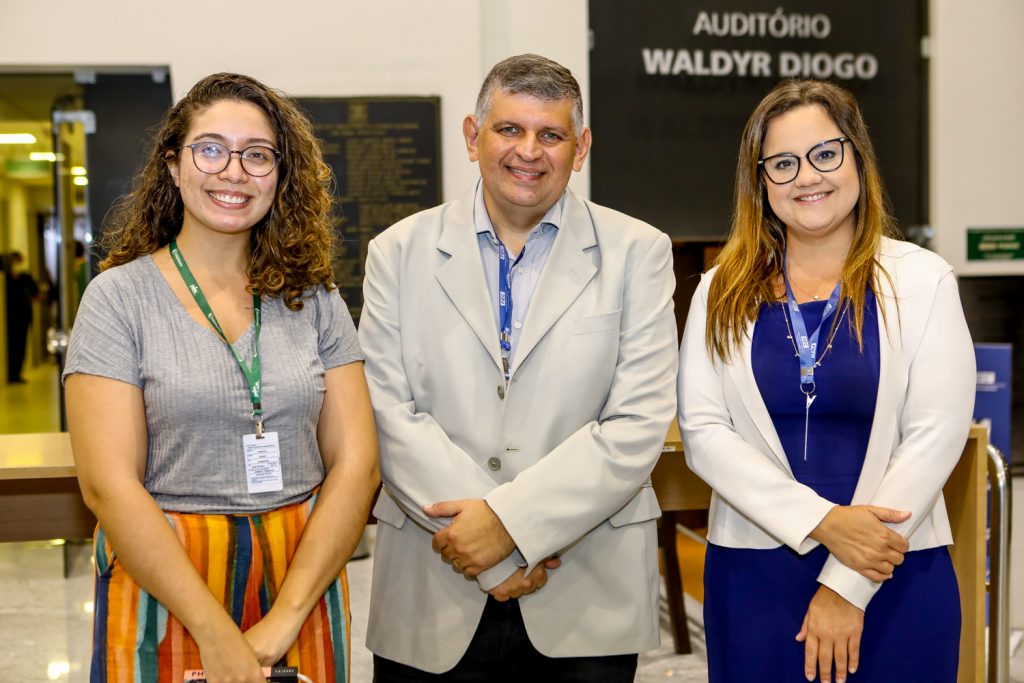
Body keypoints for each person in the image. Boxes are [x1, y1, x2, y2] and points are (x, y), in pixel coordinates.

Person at [359, 54, 678, 681]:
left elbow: (635, 424)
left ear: (580, 147)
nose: (528, 151)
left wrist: (509, 528)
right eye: (509, 129)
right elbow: (388, 414)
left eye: (550, 134)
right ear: (473, 136)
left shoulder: (639, 253)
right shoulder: (397, 252)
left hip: (584, 589)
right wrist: (494, 551)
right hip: (433, 585)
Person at [63, 73, 379, 683]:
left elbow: (358, 464)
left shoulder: (315, 299)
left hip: (301, 579)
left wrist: (285, 618)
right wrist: (214, 632)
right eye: (210, 149)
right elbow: (108, 486)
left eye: (257, 155)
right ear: (174, 166)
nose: (233, 172)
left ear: (280, 176)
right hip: (166, 581)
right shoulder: (117, 300)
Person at [677, 79, 975, 683]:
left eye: (825, 154)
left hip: (895, 567)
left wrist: (846, 584)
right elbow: (704, 432)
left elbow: (935, 435)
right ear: (760, 182)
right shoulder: (719, 290)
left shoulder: (923, 279)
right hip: (754, 577)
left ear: (857, 159)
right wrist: (823, 523)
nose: (806, 177)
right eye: (782, 163)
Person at [5, 251, 39, 383]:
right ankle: (10, 374)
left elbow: (35, 293)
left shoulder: (25, 277)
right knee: (11, 347)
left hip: (23, 319)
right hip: (9, 320)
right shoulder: (5, 279)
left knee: (21, 347)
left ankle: (17, 374)